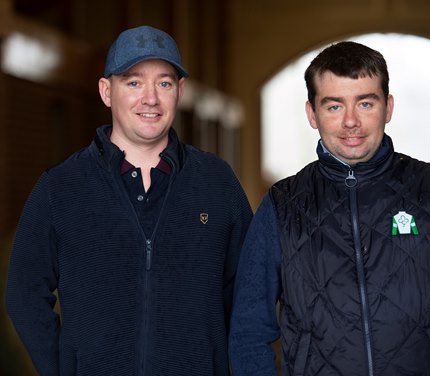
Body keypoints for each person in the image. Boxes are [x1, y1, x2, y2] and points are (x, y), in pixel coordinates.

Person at [5, 25, 253, 376]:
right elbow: (23, 295)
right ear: (107, 92)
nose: (150, 98)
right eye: (133, 82)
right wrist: (63, 369)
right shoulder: (60, 187)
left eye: (164, 83)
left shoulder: (217, 183)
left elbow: (250, 296)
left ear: (180, 91)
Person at [229, 41, 430, 375]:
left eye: (365, 103)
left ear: (388, 107)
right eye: (334, 106)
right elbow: (248, 332)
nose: (351, 122)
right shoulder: (282, 206)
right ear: (312, 114)